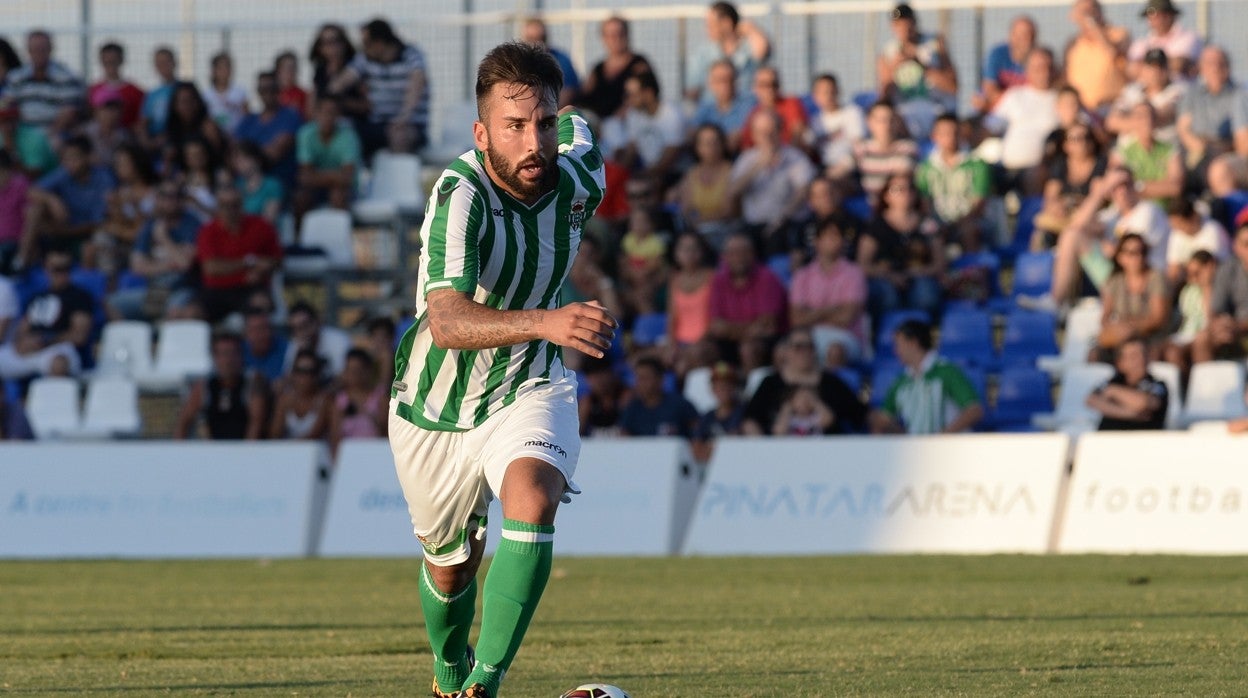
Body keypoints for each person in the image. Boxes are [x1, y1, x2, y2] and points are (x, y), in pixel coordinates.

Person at [387, 42, 613, 698]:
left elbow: (581, 129)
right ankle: (448, 671)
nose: (533, 140)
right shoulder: (460, 195)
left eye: (543, 122)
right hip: (436, 404)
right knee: (451, 566)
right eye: (513, 127)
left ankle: (484, 685)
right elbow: (450, 322)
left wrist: (546, 333)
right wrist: (548, 319)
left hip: (529, 381)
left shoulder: (580, 172)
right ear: (482, 133)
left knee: (533, 497)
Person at [1048, 167, 1169, 307]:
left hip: (1145, 280)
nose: (1122, 191)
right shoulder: (1112, 215)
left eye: (1126, 184)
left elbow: (1134, 254)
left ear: (1135, 185)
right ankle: (1057, 302)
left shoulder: (1148, 211)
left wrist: (1108, 246)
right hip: (1118, 277)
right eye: (1115, 187)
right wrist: (1099, 193)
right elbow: (1076, 226)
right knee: (1071, 236)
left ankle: (1059, 304)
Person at [330, 18, 429, 157]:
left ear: (380, 44)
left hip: (409, 125)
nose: (363, 47)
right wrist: (328, 98)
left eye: (366, 43)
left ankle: (398, 176)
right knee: (342, 130)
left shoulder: (411, 55)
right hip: (377, 124)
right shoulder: (365, 59)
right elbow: (343, 81)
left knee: (399, 135)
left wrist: (403, 117)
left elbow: (416, 85)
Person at [869, 319, 984, 434]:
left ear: (913, 342)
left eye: (898, 344)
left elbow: (974, 410)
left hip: (952, 448)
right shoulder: (901, 382)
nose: (896, 351)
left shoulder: (947, 372)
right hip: (917, 449)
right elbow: (883, 420)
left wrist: (943, 436)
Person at [743, 328, 867, 435]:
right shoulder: (770, 384)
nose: (805, 352)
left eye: (809, 347)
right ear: (787, 351)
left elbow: (859, 415)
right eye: (799, 347)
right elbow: (750, 419)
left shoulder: (832, 383)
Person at [106, 181, 200, 321]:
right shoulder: (150, 224)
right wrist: (170, 264)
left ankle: (162, 340)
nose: (170, 201)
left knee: (175, 311)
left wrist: (164, 239)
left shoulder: (192, 223)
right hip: (157, 291)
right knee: (113, 304)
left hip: (183, 289)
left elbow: (185, 264)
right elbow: (137, 266)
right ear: (158, 198)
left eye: (175, 196)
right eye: (165, 196)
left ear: (181, 200)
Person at [858, 171, 945, 323]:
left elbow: (940, 263)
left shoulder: (927, 224)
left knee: (925, 295)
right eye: (898, 189)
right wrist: (889, 276)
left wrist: (917, 272)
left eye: (909, 188)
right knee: (886, 296)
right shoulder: (876, 226)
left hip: (920, 278)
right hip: (885, 279)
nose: (905, 193)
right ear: (886, 196)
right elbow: (863, 265)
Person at [16, 136, 116, 268]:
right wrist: (52, 199)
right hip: (62, 230)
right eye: (66, 159)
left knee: (91, 247)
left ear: (88, 157)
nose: (70, 163)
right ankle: (22, 261)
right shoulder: (64, 173)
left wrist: (62, 231)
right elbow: (31, 191)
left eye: (75, 158)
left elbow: (98, 223)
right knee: (34, 209)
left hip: (85, 235)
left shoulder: (104, 179)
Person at [728, 109, 816, 258]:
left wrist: (781, 219)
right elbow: (732, 192)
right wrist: (758, 165)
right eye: (761, 132)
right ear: (754, 135)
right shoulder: (746, 159)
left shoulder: (795, 157)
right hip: (754, 226)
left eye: (771, 131)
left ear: (780, 131)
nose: (767, 136)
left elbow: (803, 192)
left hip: (786, 223)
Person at [194, 181, 282, 324]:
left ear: (242, 204)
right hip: (216, 291)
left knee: (261, 306)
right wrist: (250, 262)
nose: (230, 210)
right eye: (225, 205)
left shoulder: (261, 226)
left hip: (250, 289)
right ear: (218, 207)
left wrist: (264, 269)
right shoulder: (208, 231)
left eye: (234, 205)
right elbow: (211, 268)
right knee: (191, 314)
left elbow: (276, 260)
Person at [789, 215, 867, 369]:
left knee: (834, 351)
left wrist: (812, 314)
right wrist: (832, 310)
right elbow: (796, 319)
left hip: (846, 337)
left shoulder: (854, 274)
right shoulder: (802, 275)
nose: (834, 241)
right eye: (828, 236)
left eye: (837, 236)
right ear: (817, 241)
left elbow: (847, 317)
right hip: (810, 335)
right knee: (785, 352)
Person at [706, 231, 787, 369]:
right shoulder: (718, 280)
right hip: (729, 342)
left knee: (748, 349)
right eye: (733, 253)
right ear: (724, 257)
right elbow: (715, 326)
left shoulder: (767, 278)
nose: (739, 258)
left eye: (744, 252)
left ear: (753, 254)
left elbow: (767, 326)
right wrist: (747, 329)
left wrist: (730, 329)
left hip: (768, 342)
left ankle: (749, 389)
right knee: (700, 351)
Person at [916, 113, 995, 254]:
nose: (950, 138)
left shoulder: (977, 164)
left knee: (969, 230)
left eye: (955, 132)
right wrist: (937, 223)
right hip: (937, 221)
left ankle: (971, 269)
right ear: (934, 136)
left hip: (969, 221)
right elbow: (924, 202)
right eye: (945, 133)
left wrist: (958, 223)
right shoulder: (925, 167)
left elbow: (978, 204)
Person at [985, 47, 1060, 194]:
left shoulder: (1061, 100)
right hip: (1005, 167)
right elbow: (990, 126)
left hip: (1040, 170)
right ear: (1027, 71)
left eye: (1048, 67)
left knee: (1036, 174)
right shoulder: (1014, 96)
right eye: (1038, 67)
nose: (1044, 72)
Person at [876, 3, 958, 138]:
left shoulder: (935, 44)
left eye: (907, 25)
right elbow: (883, 97)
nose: (904, 30)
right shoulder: (887, 54)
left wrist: (921, 65)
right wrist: (894, 69)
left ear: (914, 23)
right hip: (906, 117)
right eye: (898, 26)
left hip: (936, 110)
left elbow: (952, 86)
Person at [174, 331, 268, 440]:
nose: (228, 360)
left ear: (241, 356)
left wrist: (247, 453)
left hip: (246, 449)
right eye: (223, 354)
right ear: (215, 358)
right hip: (215, 450)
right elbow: (183, 422)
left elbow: (256, 424)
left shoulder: (253, 384)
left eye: (233, 353)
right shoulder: (204, 387)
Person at [1096, 233, 1170, 360]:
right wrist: (1117, 328)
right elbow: (1105, 317)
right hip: (1121, 335)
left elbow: (1158, 319)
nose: (1138, 257)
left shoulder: (1156, 278)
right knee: (1096, 351)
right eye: (1132, 252)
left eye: (1142, 251)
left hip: (1150, 337)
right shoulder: (1114, 281)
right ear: (1120, 257)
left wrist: (1130, 327)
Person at [600, 71, 684, 183]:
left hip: (674, 176)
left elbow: (670, 156)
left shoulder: (671, 114)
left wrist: (642, 176)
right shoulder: (634, 114)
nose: (627, 100)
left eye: (632, 95)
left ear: (648, 93)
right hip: (648, 172)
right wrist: (616, 174)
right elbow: (631, 149)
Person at [685, 1, 771, 104]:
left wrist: (750, 28)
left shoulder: (748, 49)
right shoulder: (703, 54)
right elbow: (691, 90)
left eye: (711, 24)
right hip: (712, 111)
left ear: (726, 23)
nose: (707, 29)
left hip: (746, 110)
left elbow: (762, 50)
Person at [294, 96, 361, 223]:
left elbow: (347, 178)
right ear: (316, 113)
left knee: (338, 195)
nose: (327, 117)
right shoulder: (305, 134)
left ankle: (340, 238)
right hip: (318, 189)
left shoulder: (349, 136)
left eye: (332, 112)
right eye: (323, 112)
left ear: (338, 116)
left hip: (343, 189)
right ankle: (300, 239)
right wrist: (335, 177)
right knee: (300, 198)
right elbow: (305, 177)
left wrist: (317, 176)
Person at [233, 70, 303, 190]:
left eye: (272, 88)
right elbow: (234, 152)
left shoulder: (291, 116)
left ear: (279, 89)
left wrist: (247, 156)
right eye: (263, 89)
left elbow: (274, 153)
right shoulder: (248, 120)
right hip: (246, 186)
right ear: (258, 91)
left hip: (278, 184)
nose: (268, 93)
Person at [669, 123, 737, 245]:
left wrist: (700, 220)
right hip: (698, 234)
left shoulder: (733, 172)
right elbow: (687, 209)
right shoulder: (691, 174)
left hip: (726, 232)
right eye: (705, 143)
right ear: (697, 147)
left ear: (723, 144)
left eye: (714, 142)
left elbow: (729, 211)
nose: (710, 147)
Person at [5, 30, 83, 133]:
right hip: (21, 132)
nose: (39, 53)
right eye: (35, 49)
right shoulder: (16, 76)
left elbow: (70, 111)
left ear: (51, 49)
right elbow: (8, 105)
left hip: (55, 133)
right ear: (28, 50)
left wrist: (50, 133)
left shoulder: (67, 77)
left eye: (42, 49)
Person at [575, 16, 653, 120]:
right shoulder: (597, 70)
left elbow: (647, 97)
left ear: (627, 34)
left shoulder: (639, 65)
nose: (616, 38)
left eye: (620, 33)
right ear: (603, 38)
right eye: (611, 35)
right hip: (599, 127)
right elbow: (583, 98)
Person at [1106, 48, 1186, 144]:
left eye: (1160, 67)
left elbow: (1159, 117)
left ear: (1168, 69)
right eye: (1151, 67)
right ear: (1143, 69)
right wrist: (1142, 122)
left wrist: (1127, 121)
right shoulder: (1131, 90)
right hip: (1129, 151)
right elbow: (1111, 122)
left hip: (1162, 151)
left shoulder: (1177, 91)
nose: (1156, 72)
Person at [1086, 337, 1169, 430]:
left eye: (1144, 354)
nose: (1141, 359)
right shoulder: (1113, 381)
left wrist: (1113, 391)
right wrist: (1130, 414)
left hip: (1143, 441)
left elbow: (1144, 403)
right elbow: (1092, 400)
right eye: (1134, 356)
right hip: (1108, 440)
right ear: (1120, 363)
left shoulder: (1158, 384)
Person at [1194, 223, 1248, 363]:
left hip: (1240, 327)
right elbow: (1215, 309)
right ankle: (1207, 384)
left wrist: (1237, 325)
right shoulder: (1227, 270)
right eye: (1246, 244)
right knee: (1202, 339)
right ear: (1236, 247)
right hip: (1232, 329)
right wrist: (1221, 326)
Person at [1064, 0, 1130, 114]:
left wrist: (1093, 25)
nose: (1087, 15)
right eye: (1083, 11)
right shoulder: (1074, 44)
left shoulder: (1118, 34)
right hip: (1082, 111)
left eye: (1091, 10)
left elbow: (1113, 52)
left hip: (1111, 108)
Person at [1163, 249, 1216, 377]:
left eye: (1197, 272)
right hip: (1185, 333)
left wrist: (1206, 286)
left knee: (1199, 343)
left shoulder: (1216, 288)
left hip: (1205, 334)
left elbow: (1210, 317)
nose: (1192, 277)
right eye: (1190, 272)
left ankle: (1200, 384)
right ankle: (1186, 386)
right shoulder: (1187, 290)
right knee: (1169, 351)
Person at [853, 100, 918, 205]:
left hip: (897, 207)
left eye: (891, 120)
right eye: (881, 120)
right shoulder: (861, 149)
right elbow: (842, 168)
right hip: (870, 208)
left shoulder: (908, 149)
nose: (887, 125)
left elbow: (904, 177)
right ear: (870, 122)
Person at [618, 356, 699, 437]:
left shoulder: (680, 405)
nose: (640, 383)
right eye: (638, 378)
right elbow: (624, 439)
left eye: (645, 378)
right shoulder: (632, 409)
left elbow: (698, 433)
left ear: (660, 379)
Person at [806, 73, 864, 181]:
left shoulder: (852, 112)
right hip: (824, 169)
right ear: (815, 97)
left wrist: (843, 167)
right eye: (824, 92)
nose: (829, 96)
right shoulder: (814, 121)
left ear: (838, 91)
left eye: (832, 91)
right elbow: (809, 151)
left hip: (850, 170)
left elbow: (859, 147)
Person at [328, 347, 386, 454]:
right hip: (348, 456)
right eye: (349, 370)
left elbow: (385, 431)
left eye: (357, 370)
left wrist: (365, 412)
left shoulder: (380, 397)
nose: (353, 375)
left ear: (368, 370)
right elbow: (335, 435)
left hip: (376, 453)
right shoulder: (340, 400)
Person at [974, 15, 1036, 113]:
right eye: (1020, 35)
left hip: (1025, 112)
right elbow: (989, 89)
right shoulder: (998, 54)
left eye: (1029, 35)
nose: (1025, 40)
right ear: (1011, 35)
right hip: (999, 110)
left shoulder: (1040, 59)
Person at [738, 66, 807, 150]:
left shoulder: (791, 103)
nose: (770, 89)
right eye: (764, 85)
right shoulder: (753, 114)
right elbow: (747, 145)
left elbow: (798, 133)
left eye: (774, 84)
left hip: (789, 154)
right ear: (755, 88)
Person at [1127, 0, 1201, 79]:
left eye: (1160, 14)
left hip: (1180, 88)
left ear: (1170, 15)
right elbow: (1132, 69)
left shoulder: (1189, 38)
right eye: (1151, 14)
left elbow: (1178, 64)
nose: (1155, 18)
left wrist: (1145, 63)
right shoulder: (1142, 43)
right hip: (1147, 90)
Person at [1164, 196, 1228, 285]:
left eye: (1180, 224)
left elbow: (1210, 267)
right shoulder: (1177, 234)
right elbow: (1173, 269)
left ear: (1193, 217)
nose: (1178, 229)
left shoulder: (1213, 230)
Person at [269, 348, 329, 440]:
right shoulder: (284, 400)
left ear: (317, 374)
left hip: (314, 452)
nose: (305, 377)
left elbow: (314, 435)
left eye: (310, 372)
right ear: (293, 374)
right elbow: (275, 434)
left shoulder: (324, 400)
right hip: (290, 451)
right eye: (300, 371)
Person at [282, 300, 350, 379]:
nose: (301, 332)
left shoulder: (338, 340)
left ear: (317, 322)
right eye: (296, 329)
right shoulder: (295, 344)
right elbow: (288, 377)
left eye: (305, 325)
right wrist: (299, 355)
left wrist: (325, 392)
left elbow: (345, 377)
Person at [521, 17, 579, 107]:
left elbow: (568, 92)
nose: (536, 43)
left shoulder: (561, 60)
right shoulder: (518, 64)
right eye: (531, 39)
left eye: (541, 38)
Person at [88, 42, 144, 129]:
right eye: (106, 61)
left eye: (113, 61)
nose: (110, 64)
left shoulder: (135, 92)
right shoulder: (92, 90)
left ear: (121, 60)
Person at [137, 46, 178, 153]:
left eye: (166, 62)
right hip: (154, 140)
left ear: (174, 63)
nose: (163, 66)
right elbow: (145, 121)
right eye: (159, 63)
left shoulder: (183, 89)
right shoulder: (152, 94)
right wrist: (146, 141)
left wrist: (167, 137)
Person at [202, 52, 249, 134]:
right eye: (220, 68)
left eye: (227, 67)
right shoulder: (206, 95)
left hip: (237, 135)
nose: (224, 72)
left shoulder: (240, 92)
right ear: (214, 71)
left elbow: (246, 116)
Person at [242, 304, 289, 382]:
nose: (261, 335)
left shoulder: (289, 351)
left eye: (265, 328)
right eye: (256, 330)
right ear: (246, 333)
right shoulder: (237, 352)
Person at [274, 50, 309, 117]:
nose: (292, 71)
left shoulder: (304, 95)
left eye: (294, 68)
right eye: (288, 68)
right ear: (278, 71)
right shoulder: (272, 95)